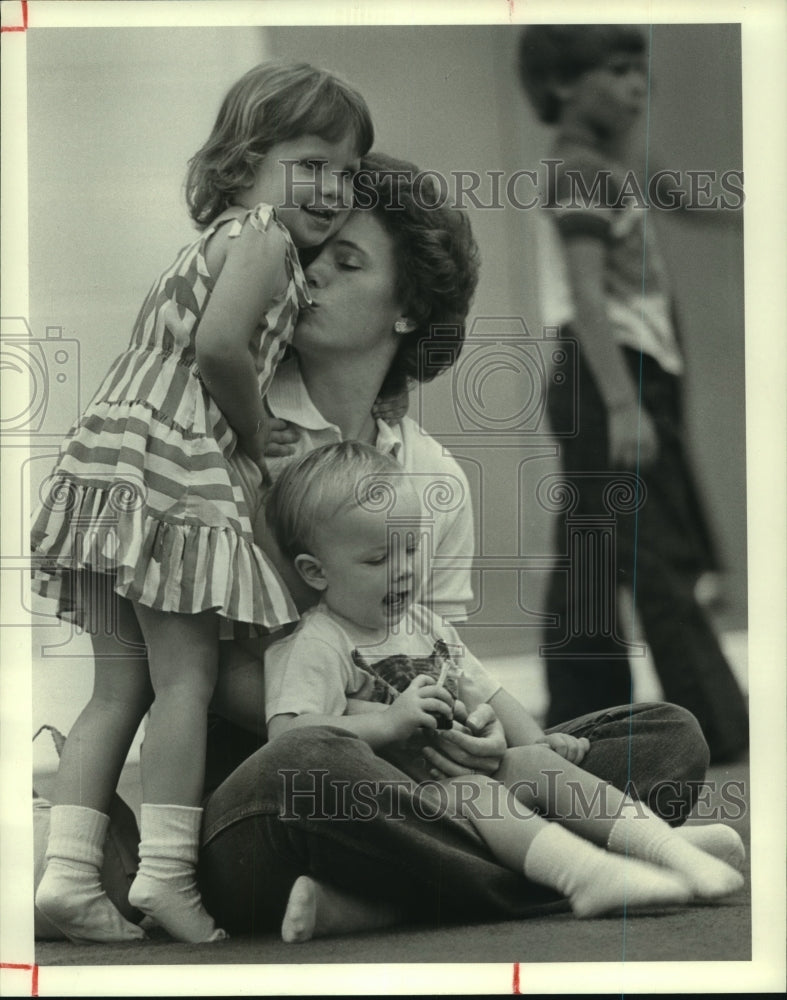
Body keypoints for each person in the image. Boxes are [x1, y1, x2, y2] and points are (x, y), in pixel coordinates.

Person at [195, 158, 726, 942]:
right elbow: (197, 677)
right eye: (310, 258)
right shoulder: (232, 434)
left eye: (346, 263)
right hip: (283, 795)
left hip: (432, 781)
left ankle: (388, 903)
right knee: (309, 759)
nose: (308, 280)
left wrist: (466, 725)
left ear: (407, 310)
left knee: (666, 736)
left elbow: (427, 647)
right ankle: (595, 861)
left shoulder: (431, 474)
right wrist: (377, 726)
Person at [30, 61, 374, 944]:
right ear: (246, 156)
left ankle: (69, 874)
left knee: (118, 690)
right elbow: (222, 348)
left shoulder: (217, 238)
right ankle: (167, 876)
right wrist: (257, 438)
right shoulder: (260, 238)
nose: (333, 189)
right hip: (172, 470)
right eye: (312, 162)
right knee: (187, 680)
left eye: (348, 172)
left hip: (109, 466)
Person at [261, 440, 744, 931]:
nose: (404, 569)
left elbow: (487, 692)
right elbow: (287, 740)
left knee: (536, 764)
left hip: (458, 795)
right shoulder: (321, 642)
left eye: (411, 547)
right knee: (477, 793)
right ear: (315, 571)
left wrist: (540, 743)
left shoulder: (424, 625)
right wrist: (387, 722)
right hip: (397, 813)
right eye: (378, 559)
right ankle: (590, 873)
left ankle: (661, 848)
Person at [516, 25, 749, 761]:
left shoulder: (609, 163)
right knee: (654, 548)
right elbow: (586, 298)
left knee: (591, 547)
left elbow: (674, 191)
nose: (637, 85)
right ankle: (715, 722)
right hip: (607, 373)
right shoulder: (580, 170)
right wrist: (622, 403)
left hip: (628, 371)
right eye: (617, 71)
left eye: (641, 71)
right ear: (561, 87)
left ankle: (586, 713)